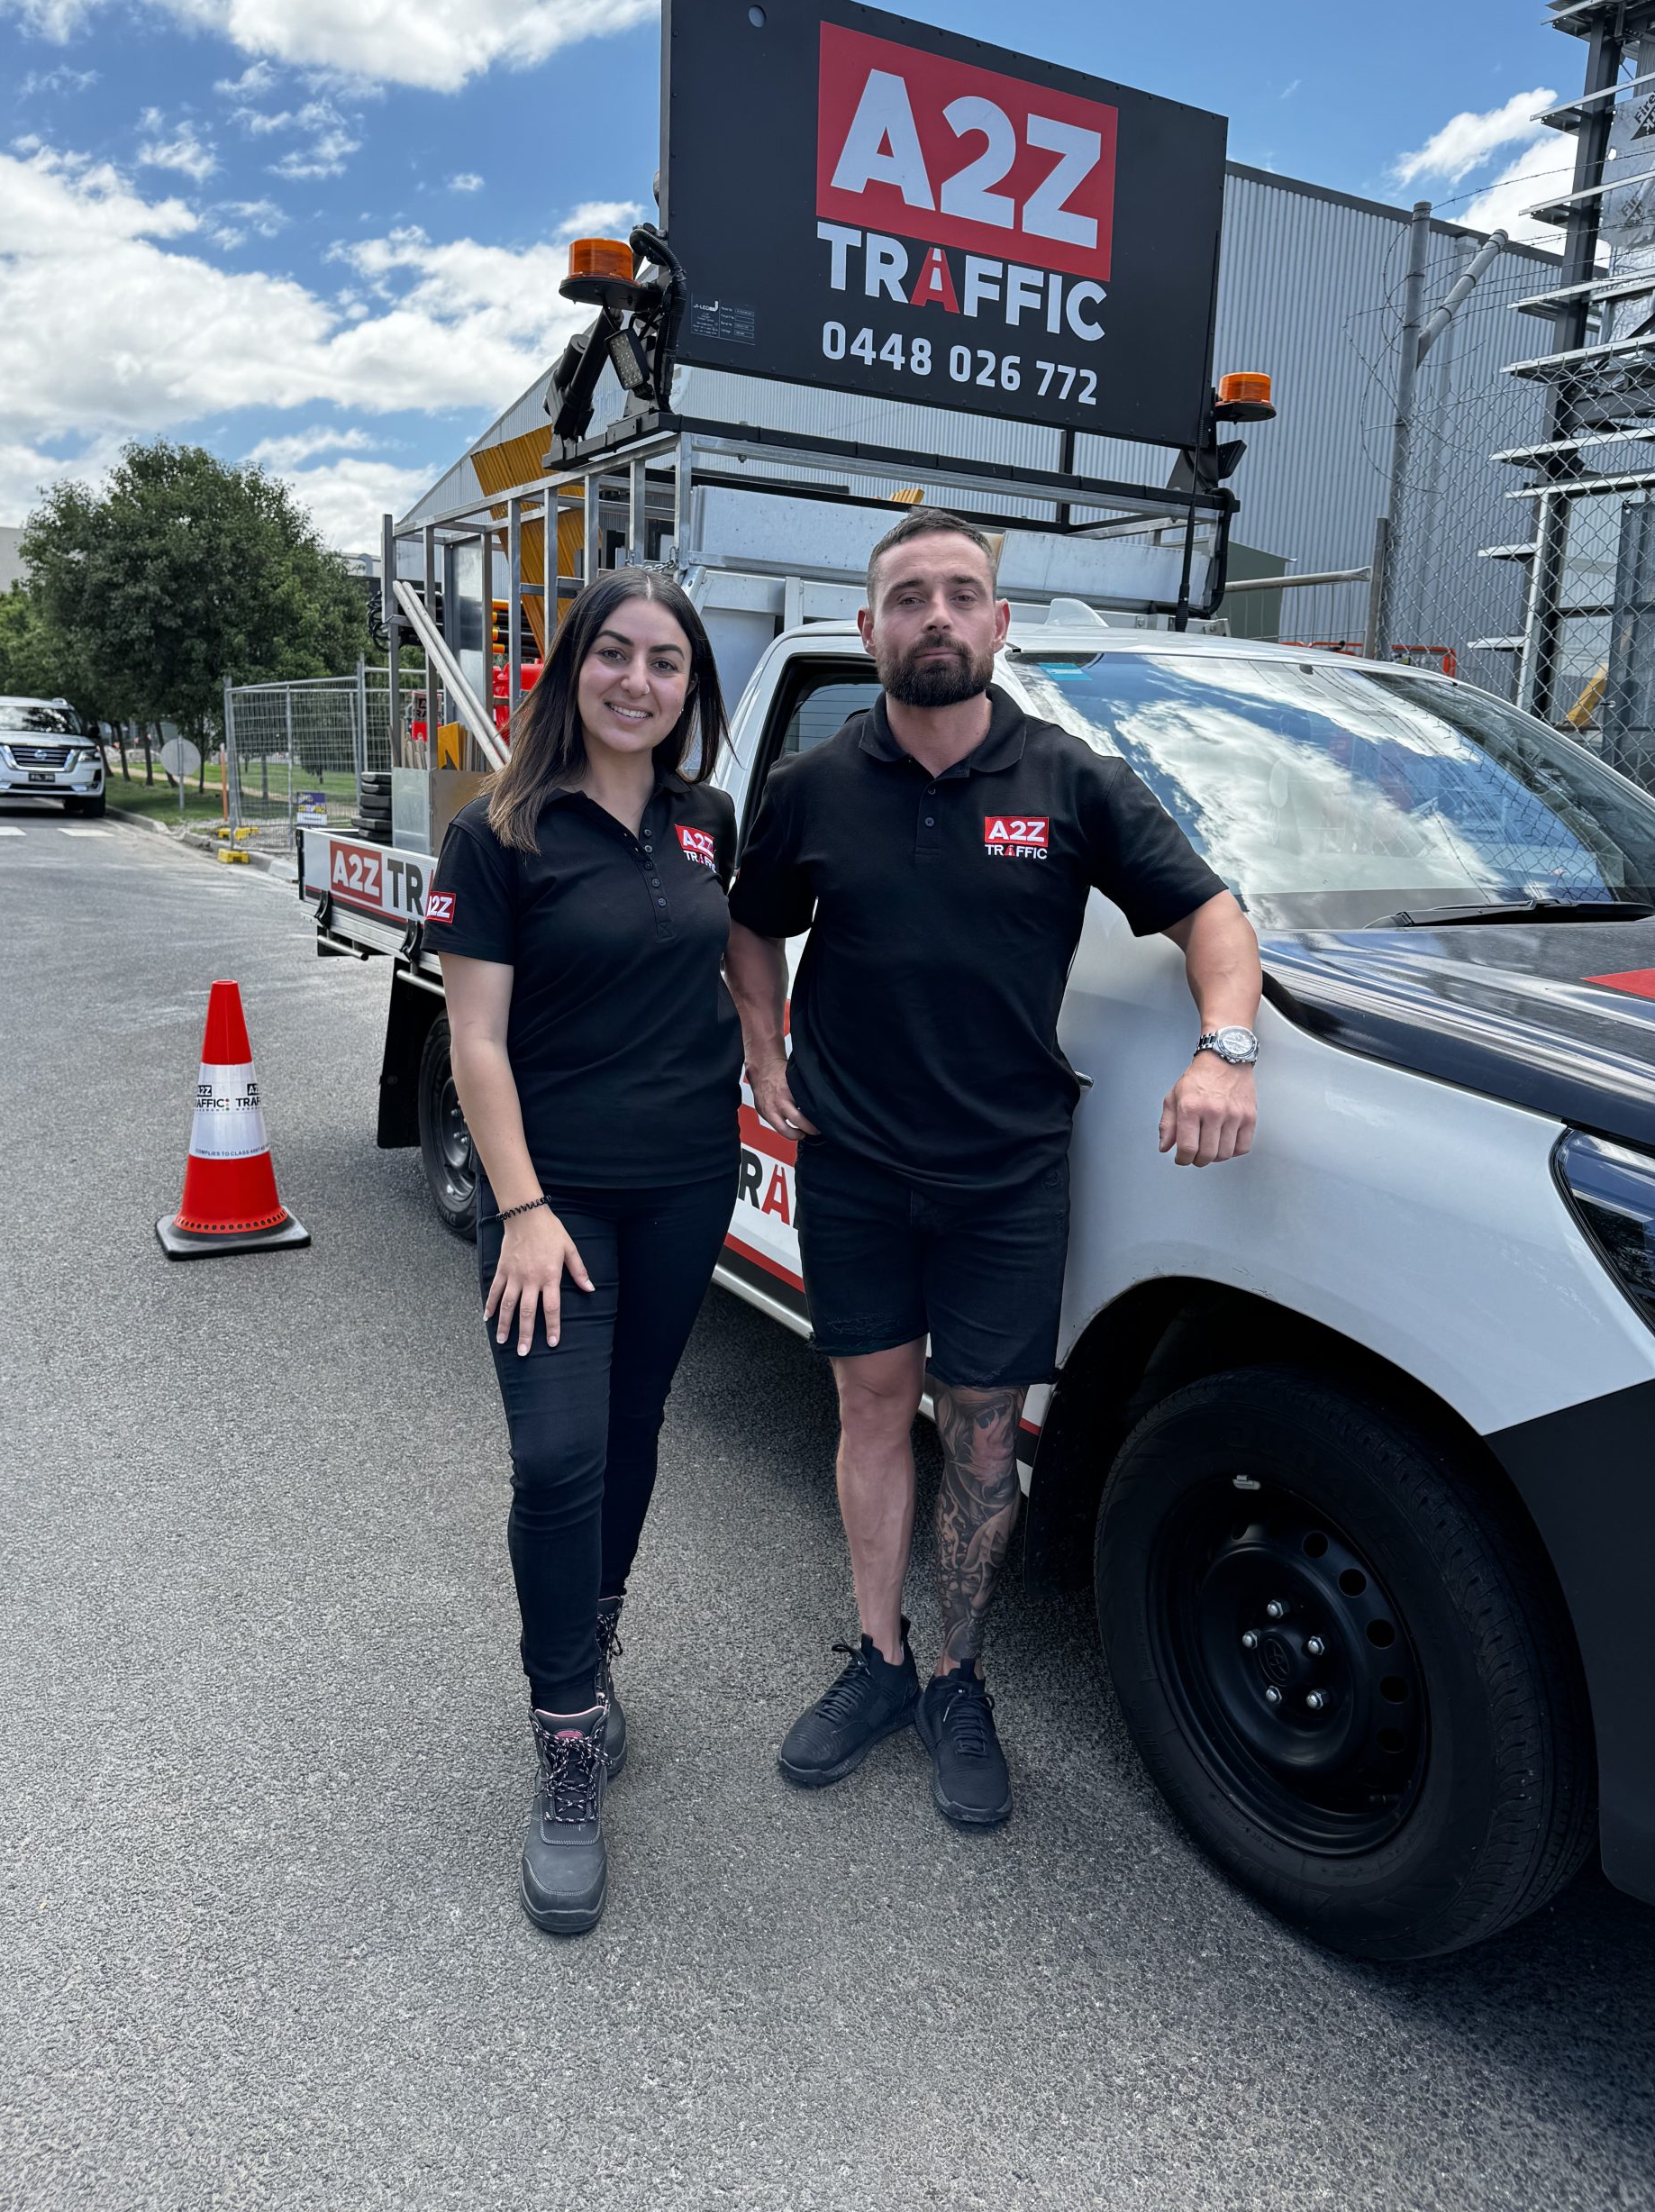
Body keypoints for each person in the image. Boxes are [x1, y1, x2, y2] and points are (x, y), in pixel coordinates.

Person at [724, 507, 1261, 1829]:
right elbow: (749, 928)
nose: (938, 618)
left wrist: (1227, 1049)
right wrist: (764, 1045)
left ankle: (959, 1676)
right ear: (870, 631)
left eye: (963, 595)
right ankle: (882, 1659)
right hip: (853, 1161)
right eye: (909, 598)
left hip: (1006, 1176)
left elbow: (1210, 914)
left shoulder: (1071, 783)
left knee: (978, 1439)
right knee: (867, 1411)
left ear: (1000, 624)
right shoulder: (811, 789)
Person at [424, 568, 742, 1934]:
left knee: (631, 1430)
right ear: (573, 671)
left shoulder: (706, 825)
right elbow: (476, 1040)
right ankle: (564, 1737)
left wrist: (773, 1059)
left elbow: (739, 966)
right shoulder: (498, 832)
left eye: (666, 663)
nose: (638, 681)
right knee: (557, 1454)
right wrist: (528, 1209)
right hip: (552, 1203)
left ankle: (591, 1657)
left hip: (684, 1187)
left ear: (691, 691)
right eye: (615, 654)